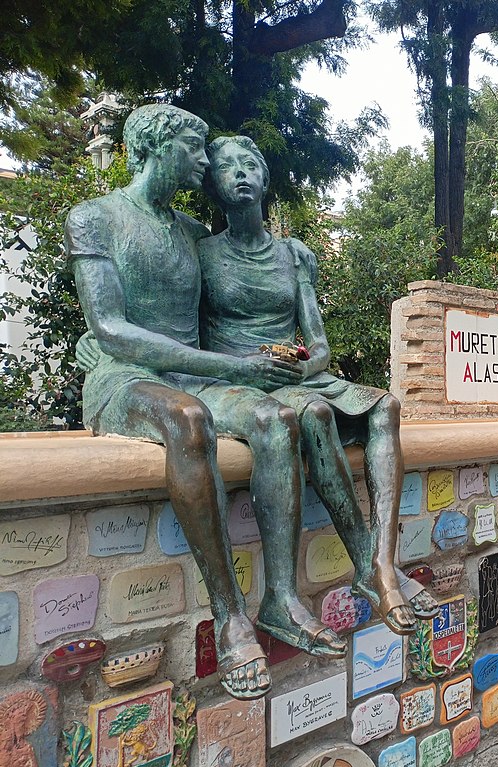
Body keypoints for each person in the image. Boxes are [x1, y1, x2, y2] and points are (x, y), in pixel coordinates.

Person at [67, 105, 346, 700]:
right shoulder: (93, 218)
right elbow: (112, 329)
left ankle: (281, 597)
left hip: (195, 375)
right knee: (188, 421)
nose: (205, 164)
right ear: (158, 147)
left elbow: (223, 302)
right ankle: (229, 614)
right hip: (127, 379)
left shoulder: (194, 236)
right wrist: (92, 344)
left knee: (274, 420)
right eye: (195, 151)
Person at [199, 135, 437, 633]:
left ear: (265, 180)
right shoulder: (200, 254)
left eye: (250, 164)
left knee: (386, 407)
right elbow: (188, 339)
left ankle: (380, 563)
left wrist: (304, 369)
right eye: (227, 167)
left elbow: (320, 345)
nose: (240, 173)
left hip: (300, 372)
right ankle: (377, 570)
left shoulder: (293, 255)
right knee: (317, 415)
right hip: (244, 378)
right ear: (213, 183)